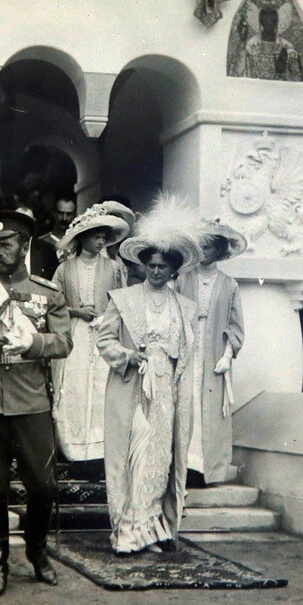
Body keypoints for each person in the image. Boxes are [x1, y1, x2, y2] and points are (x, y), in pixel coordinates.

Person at [0, 210, 72, 597]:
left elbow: (64, 342)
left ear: (24, 246)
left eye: (6, 244)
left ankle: (37, 550)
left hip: (31, 401)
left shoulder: (47, 292)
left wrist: (34, 343)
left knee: (42, 486)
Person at [97, 198, 200, 554]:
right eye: (151, 266)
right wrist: (127, 356)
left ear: (173, 271)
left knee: (160, 458)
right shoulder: (123, 300)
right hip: (132, 387)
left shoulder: (184, 308)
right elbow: (104, 338)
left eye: (163, 267)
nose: (156, 272)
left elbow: (188, 352)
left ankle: (154, 530)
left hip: (167, 391)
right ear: (142, 266)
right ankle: (128, 531)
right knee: (132, 456)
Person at [50, 203, 129, 472]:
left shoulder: (114, 268)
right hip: (74, 335)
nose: (100, 241)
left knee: (100, 389)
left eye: (104, 236)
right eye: (96, 235)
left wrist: (107, 320)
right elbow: (53, 303)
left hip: (103, 335)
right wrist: (76, 311)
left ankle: (99, 449)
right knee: (74, 386)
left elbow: (123, 302)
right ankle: (72, 448)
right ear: (83, 236)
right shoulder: (64, 269)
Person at [176, 217, 247, 487]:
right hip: (187, 352)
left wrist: (227, 355)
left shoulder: (230, 285)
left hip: (215, 354)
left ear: (220, 251)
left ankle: (210, 470)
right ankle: (184, 468)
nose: (204, 251)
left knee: (211, 409)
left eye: (210, 247)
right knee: (186, 403)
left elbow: (235, 324)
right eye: (201, 246)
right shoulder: (184, 278)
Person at [30, 195, 76, 280]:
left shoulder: (79, 242)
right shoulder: (42, 242)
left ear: (74, 215)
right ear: (54, 213)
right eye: (61, 213)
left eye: (69, 214)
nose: (64, 218)